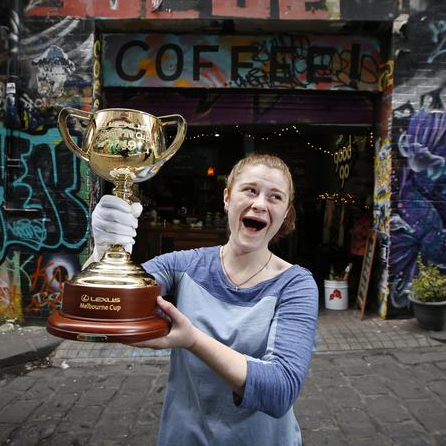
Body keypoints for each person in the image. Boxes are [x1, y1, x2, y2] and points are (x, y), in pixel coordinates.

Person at [90, 153, 318, 446]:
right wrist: (104, 253)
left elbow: (280, 391)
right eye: (250, 190)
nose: (260, 204)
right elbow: (108, 307)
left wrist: (191, 339)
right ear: (227, 197)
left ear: (285, 213)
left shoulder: (296, 284)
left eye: (275, 197)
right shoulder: (184, 265)